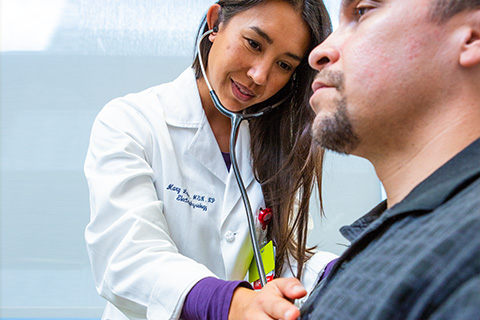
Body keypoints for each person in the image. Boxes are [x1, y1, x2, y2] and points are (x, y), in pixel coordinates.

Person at [84, 1, 335, 319]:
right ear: (216, 22)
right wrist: (229, 304)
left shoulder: (272, 143)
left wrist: (341, 273)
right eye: (254, 43)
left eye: (284, 65)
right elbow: (127, 259)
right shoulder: (132, 121)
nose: (259, 76)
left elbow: (276, 256)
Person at [298, 0, 480, 318]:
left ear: (473, 37)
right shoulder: (404, 236)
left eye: (363, 11)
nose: (318, 53)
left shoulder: (467, 251)